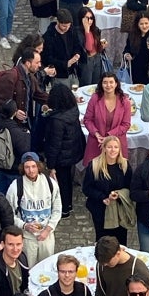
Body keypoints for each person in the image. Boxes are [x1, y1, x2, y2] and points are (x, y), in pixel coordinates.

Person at [5, 154, 59, 265]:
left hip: (46, 236)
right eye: (27, 167)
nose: (31, 170)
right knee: (28, 268)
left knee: (47, 266)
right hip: (27, 237)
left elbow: (57, 209)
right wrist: (24, 225)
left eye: (33, 166)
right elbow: (9, 213)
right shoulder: (15, 187)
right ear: (23, 168)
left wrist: (48, 229)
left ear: (39, 166)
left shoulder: (50, 184)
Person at [43, 84, 87, 219]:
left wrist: (51, 165)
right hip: (72, 150)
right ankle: (68, 205)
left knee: (62, 183)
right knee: (68, 178)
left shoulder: (56, 121)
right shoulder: (73, 110)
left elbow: (54, 144)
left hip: (62, 155)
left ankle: (64, 208)